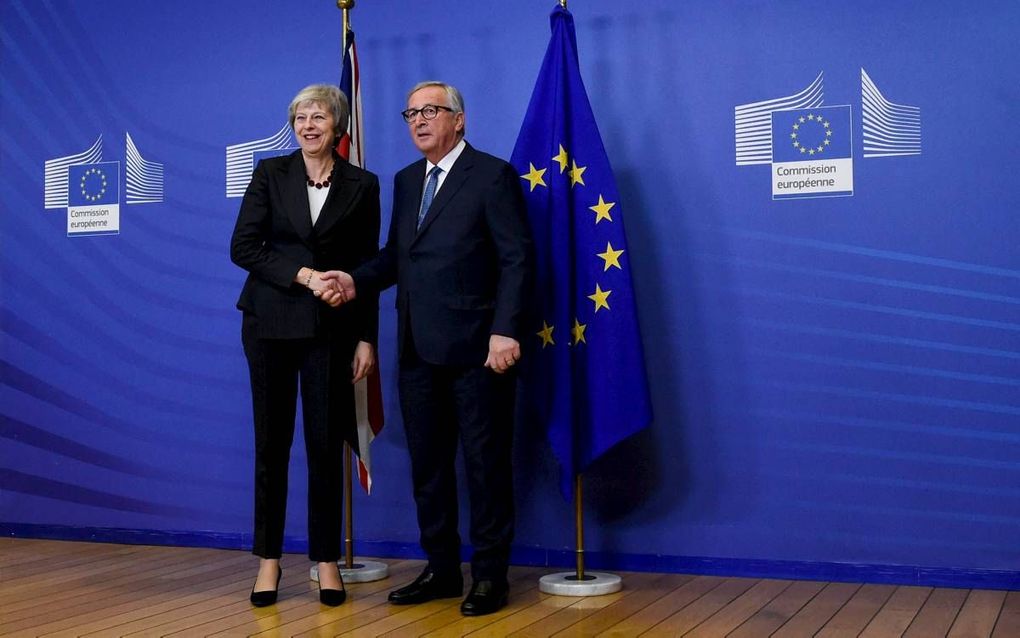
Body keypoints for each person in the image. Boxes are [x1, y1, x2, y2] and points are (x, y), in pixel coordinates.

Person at [319, 80, 534, 616]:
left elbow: (517, 259)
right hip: (416, 349)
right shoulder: (408, 179)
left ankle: (489, 576)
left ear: (459, 120)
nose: (418, 120)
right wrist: (353, 280)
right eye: (411, 112)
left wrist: (506, 329)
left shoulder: (492, 175)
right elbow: (398, 256)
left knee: (485, 466)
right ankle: (440, 570)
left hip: (479, 352)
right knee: (429, 467)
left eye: (431, 110)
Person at [230, 84, 380, 608]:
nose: (308, 125)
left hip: (331, 331)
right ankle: (268, 561)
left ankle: (325, 561)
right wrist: (304, 275)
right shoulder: (271, 173)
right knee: (271, 446)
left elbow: (367, 268)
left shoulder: (364, 184)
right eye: (300, 117)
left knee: (323, 446)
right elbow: (243, 247)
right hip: (269, 324)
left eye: (319, 116)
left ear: (337, 126)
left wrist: (366, 337)